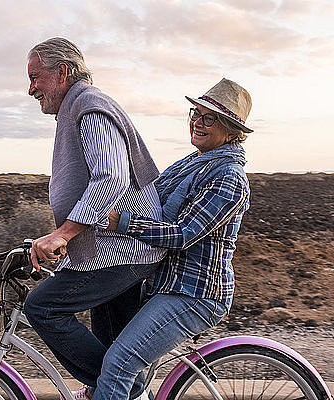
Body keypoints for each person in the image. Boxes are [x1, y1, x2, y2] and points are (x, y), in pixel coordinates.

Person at [90, 78, 253, 400]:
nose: (197, 122)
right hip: (162, 284)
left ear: (232, 131)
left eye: (210, 118)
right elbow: (147, 201)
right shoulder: (190, 163)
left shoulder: (229, 177)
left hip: (195, 293)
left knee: (120, 363)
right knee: (127, 376)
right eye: (196, 112)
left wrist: (120, 222)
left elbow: (183, 234)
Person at [22, 37, 167, 397]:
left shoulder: (90, 104)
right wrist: (65, 235)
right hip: (108, 250)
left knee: (42, 308)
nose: (30, 89)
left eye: (35, 77)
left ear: (62, 72)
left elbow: (111, 177)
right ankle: (119, 390)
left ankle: (114, 390)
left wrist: (63, 234)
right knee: (117, 350)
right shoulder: (75, 108)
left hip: (121, 251)